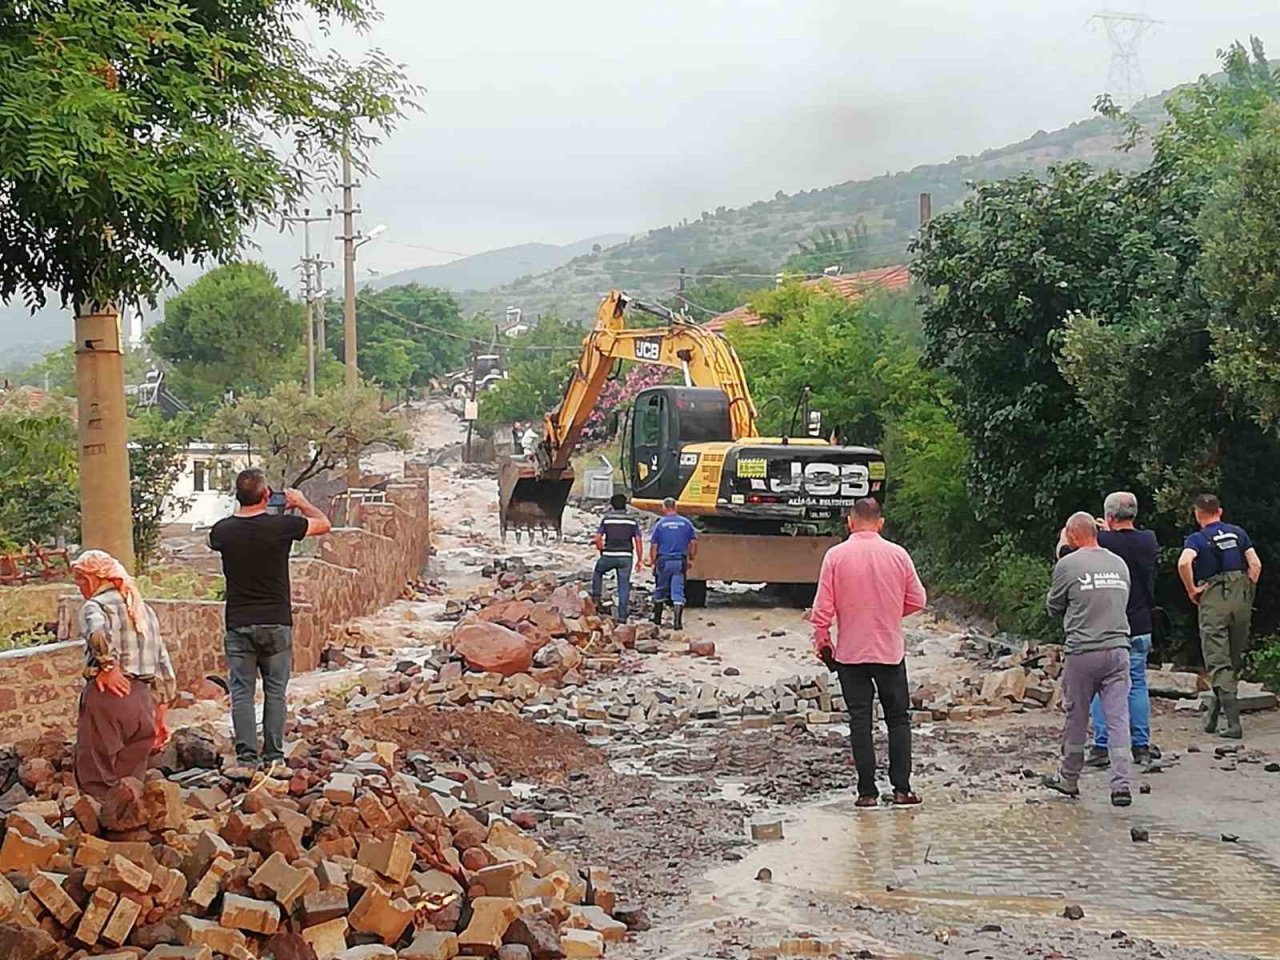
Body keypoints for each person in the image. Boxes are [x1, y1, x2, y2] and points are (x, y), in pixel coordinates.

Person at [209, 469, 331, 770]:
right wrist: (301, 502)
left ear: (238, 496)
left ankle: (247, 758)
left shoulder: (222, 531)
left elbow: (215, 541)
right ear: (267, 496)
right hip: (276, 621)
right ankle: (274, 756)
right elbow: (325, 524)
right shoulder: (283, 526)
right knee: (275, 691)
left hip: (238, 622)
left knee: (241, 692)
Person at [811, 498, 927, 807]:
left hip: (850, 654)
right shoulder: (898, 555)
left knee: (860, 720)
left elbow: (822, 608)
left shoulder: (835, 556)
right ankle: (902, 789)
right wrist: (889, 613)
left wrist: (823, 641)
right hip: (889, 651)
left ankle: (867, 793)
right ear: (881, 522)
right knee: (898, 719)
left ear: (850, 522)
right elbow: (918, 599)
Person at [1055, 492, 1159, 768]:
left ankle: (1101, 746)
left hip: (1109, 628)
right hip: (1142, 624)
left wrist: (1086, 533)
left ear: (1109, 517)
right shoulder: (1148, 540)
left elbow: (1072, 553)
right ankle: (1142, 745)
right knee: (1137, 685)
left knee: (1103, 689)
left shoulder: (1106, 542)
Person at [1043, 512, 1134, 806]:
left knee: (1077, 717)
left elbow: (1053, 606)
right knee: (1118, 718)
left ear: (1071, 534)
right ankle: (1121, 785)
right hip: (1119, 649)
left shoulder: (1068, 564)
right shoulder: (1118, 563)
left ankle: (1069, 778)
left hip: (1083, 652)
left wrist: (1061, 553)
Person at [71, 550, 177, 800]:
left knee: (96, 773)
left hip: (110, 694)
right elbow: (163, 662)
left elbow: (97, 633)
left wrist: (108, 666)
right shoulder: (143, 609)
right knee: (131, 780)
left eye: (79, 582)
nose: (79, 588)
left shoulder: (95, 606)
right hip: (142, 701)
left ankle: (96, 833)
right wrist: (160, 715)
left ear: (90, 579)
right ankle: (130, 832)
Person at [1178, 494, 1262, 740]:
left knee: (1217, 660)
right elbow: (1255, 564)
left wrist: (1192, 589)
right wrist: (1247, 589)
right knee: (1231, 659)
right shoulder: (1238, 533)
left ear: (1198, 513)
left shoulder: (1197, 539)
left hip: (1214, 596)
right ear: (1220, 511)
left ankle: (1234, 725)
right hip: (1241, 595)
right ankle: (1212, 718)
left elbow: (1184, 563)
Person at [591, 493, 644, 622]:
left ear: (612, 505)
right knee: (624, 585)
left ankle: (596, 598)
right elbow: (638, 540)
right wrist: (639, 560)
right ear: (625, 505)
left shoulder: (607, 519)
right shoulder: (632, 520)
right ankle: (622, 616)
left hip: (609, 554)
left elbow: (597, 539)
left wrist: (601, 550)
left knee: (598, 571)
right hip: (626, 556)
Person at [649, 497, 697, 630]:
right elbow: (693, 543)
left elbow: (654, 545)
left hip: (664, 561)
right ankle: (677, 622)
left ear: (664, 508)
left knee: (661, 589)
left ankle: (657, 619)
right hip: (679, 561)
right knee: (678, 590)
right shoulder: (686, 523)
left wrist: (653, 562)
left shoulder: (660, 524)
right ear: (675, 507)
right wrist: (691, 558)